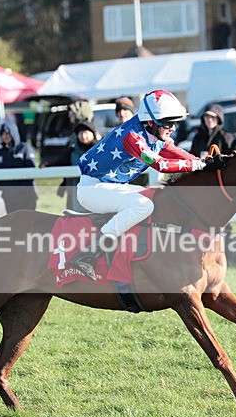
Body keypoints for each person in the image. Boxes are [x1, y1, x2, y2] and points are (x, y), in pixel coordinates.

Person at [69, 89, 212, 280]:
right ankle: (89, 253)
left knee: (155, 196)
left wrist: (208, 162)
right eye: (169, 124)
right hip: (92, 190)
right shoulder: (132, 137)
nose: (173, 129)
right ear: (151, 122)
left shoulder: (154, 134)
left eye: (176, 123)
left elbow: (174, 152)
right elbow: (160, 164)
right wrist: (196, 164)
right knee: (143, 204)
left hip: (109, 186)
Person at [0, 118, 38, 213]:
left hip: (27, 195)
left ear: (14, 133)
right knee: (14, 224)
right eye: (3, 133)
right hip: (9, 197)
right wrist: (6, 189)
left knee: (27, 223)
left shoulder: (24, 148)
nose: (5, 136)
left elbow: (31, 170)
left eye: (8, 133)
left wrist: (20, 189)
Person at [58, 120, 100, 211]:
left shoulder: (100, 150)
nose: (84, 136)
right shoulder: (72, 151)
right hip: (74, 191)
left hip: (96, 191)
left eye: (86, 133)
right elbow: (62, 163)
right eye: (81, 133)